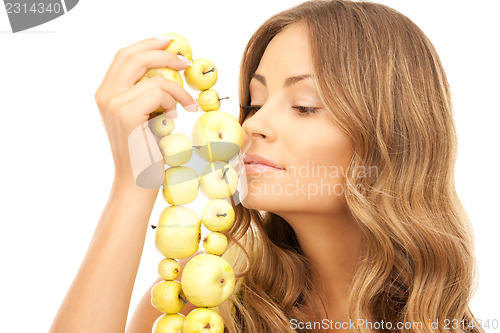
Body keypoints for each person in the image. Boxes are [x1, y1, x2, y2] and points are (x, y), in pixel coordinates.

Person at [49, 1, 485, 332]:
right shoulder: (202, 300)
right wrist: (134, 184)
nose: (254, 124)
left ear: (391, 137)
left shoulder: (436, 319)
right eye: (254, 103)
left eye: (304, 106)